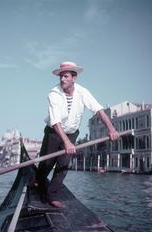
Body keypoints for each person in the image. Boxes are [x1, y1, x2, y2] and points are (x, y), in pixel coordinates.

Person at [35, 61, 119, 208]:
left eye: (66, 76)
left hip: (72, 133)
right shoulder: (53, 94)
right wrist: (66, 142)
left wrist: (111, 128)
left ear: (74, 78)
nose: (62, 79)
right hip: (54, 132)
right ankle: (38, 183)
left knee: (63, 165)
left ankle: (52, 196)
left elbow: (98, 110)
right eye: (61, 76)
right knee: (46, 164)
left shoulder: (82, 92)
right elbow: (56, 122)